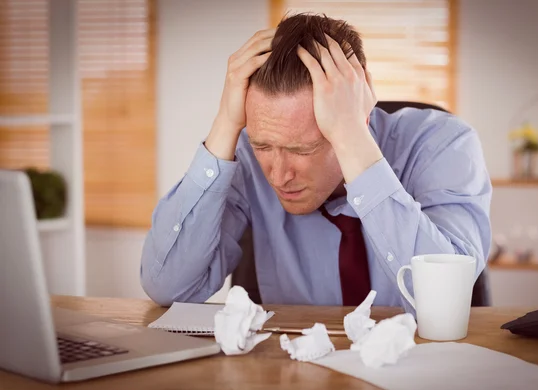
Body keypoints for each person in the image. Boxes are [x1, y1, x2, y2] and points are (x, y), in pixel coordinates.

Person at [140, 13, 492, 311]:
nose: (278, 175)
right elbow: (168, 288)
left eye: (302, 150)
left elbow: (444, 300)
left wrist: (353, 139)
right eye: (264, 145)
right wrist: (225, 125)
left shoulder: (443, 144)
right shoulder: (245, 156)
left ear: (359, 114)